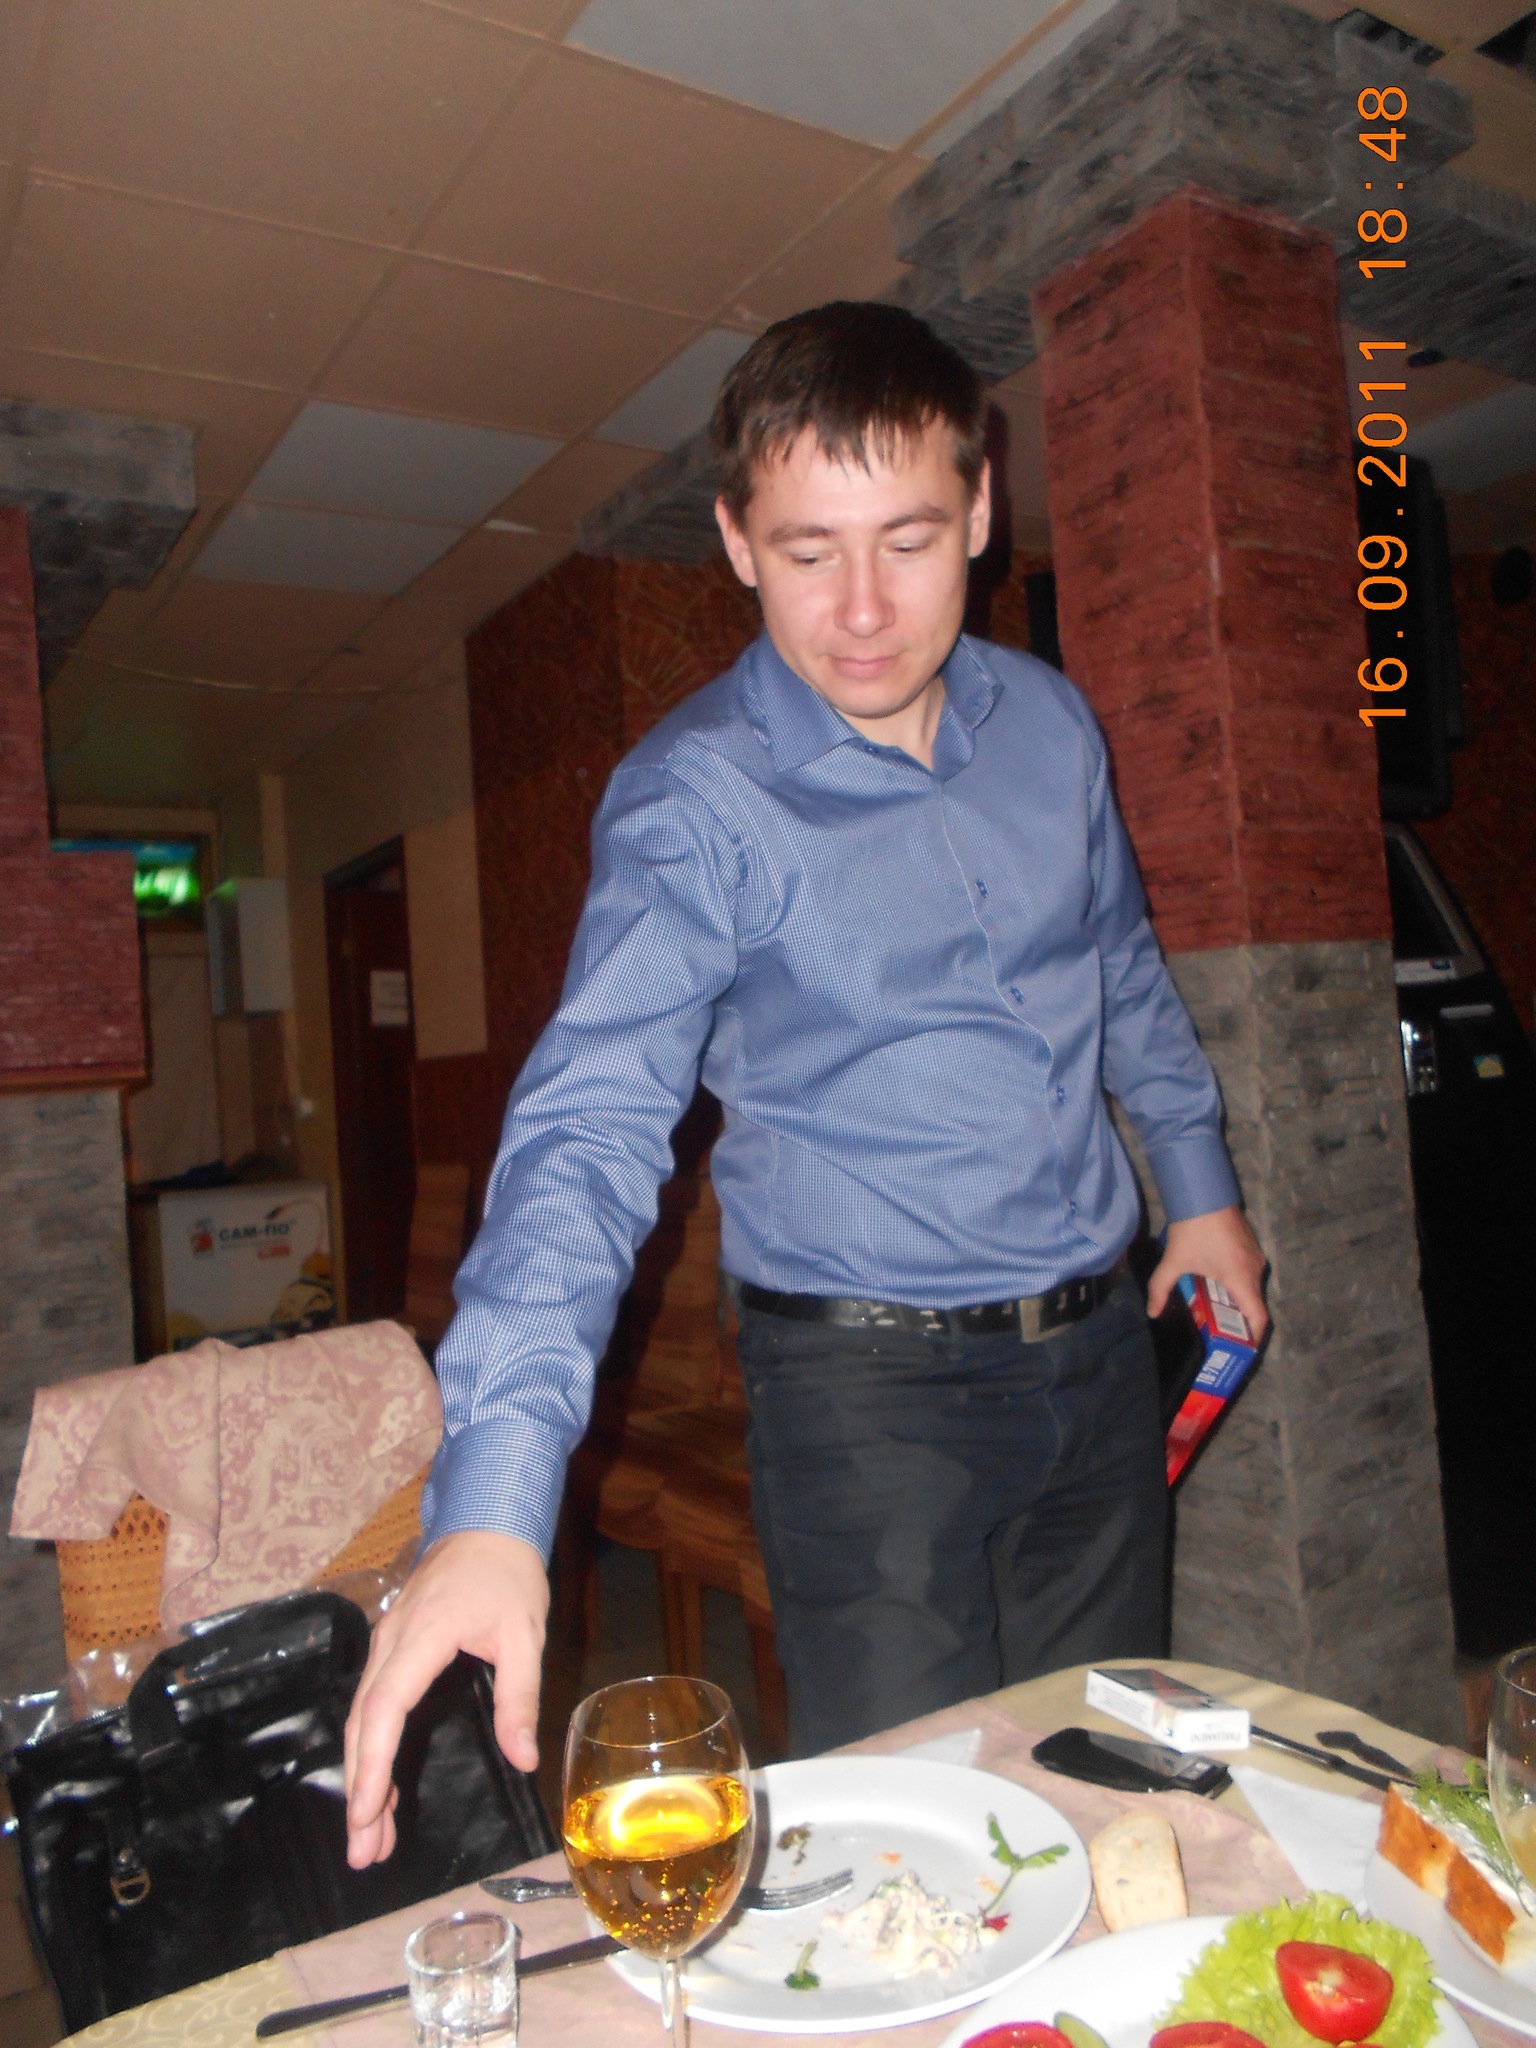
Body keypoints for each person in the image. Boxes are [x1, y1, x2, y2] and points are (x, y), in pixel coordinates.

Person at [343, 301, 1267, 1866]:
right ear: (734, 543)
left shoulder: (1051, 725)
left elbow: (1117, 965)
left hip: (1103, 1356)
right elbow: (586, 1131)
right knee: (924, 1850)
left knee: (1116, 1794)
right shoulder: (694, 801)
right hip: (868, 1405)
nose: (862, 611)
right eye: (806, 550)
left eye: (908, 540)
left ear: (981, 509)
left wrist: (1202, 1189)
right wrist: (491, 1502)